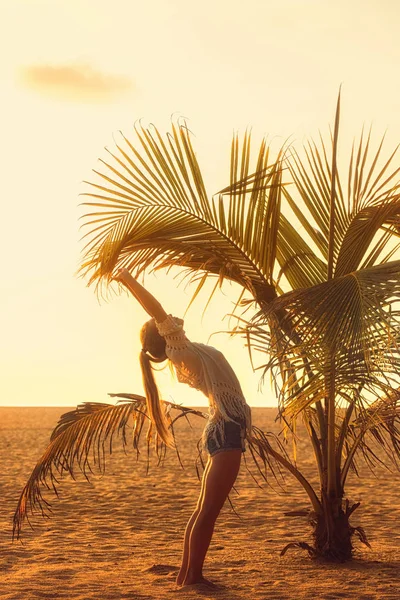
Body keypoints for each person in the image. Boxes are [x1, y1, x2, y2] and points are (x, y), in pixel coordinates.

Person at [114, 268, 252, 588]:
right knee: (208, 513)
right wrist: (129, 279)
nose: (172, 317)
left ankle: (186, 575)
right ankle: (194, 577)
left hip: (223, 427)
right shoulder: (181, 351)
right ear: (165, 335)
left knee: (202, 510)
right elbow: (157, 311)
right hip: (225, 430)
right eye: (165, 322)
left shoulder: (189, 351)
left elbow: (160, 317)